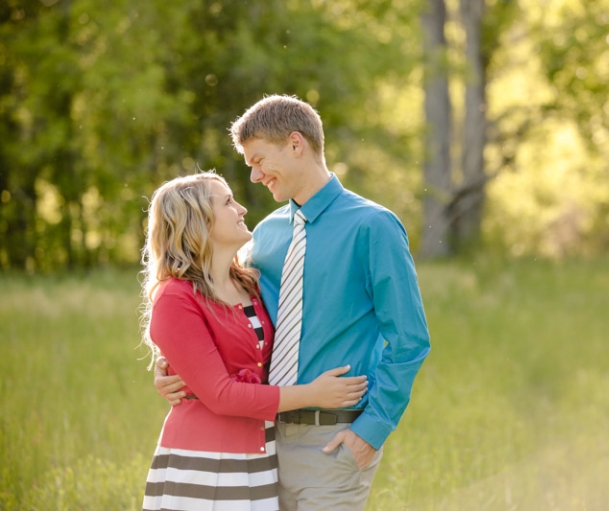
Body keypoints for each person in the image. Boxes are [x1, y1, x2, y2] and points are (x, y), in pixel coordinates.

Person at [155, 95, 431, 510]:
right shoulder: (264, 235)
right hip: (258, 443)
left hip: (332, 442)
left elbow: (409, 340)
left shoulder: (372, 227)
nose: (254, 175)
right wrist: (174, 368)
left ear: (296, 144)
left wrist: (371, 430)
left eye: (259, 159)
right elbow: (233, 323)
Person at [140, 172, 368, 511]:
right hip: (203, 457)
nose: (242, 209)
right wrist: (314, 394)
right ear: (197, 220)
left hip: (258, 454)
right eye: (228, 202)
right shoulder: (176, 298)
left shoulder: (249, 283)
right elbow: (220, 395)